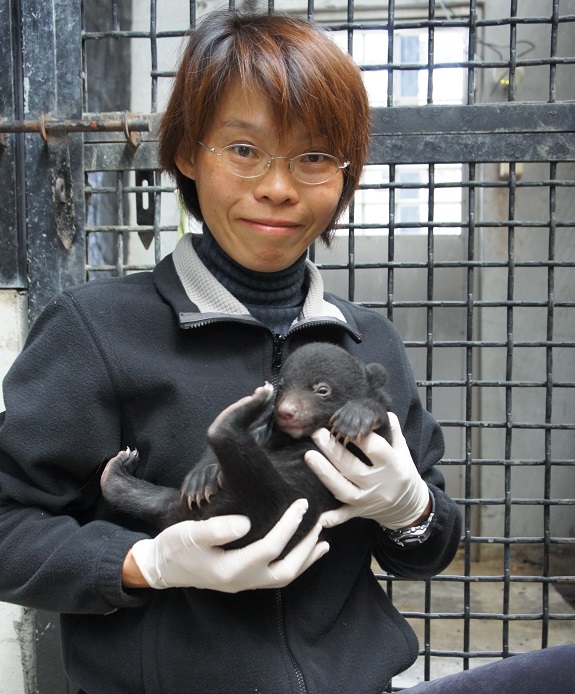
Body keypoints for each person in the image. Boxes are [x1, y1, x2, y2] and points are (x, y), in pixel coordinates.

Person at [0, 9, 569, 694]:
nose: (277, 185)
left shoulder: (367, 343)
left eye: (313, 156)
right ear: (186, 153)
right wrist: (142, 562)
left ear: (343, 174)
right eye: (243, 150)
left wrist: (410, 510)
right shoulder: (94, 332)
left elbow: (427, 548)